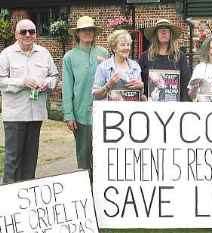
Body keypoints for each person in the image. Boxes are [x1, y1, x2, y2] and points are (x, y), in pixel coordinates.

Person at [0, 19, 58, 183]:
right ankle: (8, 199)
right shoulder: (6, 54)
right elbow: (1, 81)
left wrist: (45, 84)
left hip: (36, 113)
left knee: (30, 159)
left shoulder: (44, 53)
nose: (28, 34)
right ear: (16, 34)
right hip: (15, 115)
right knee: (13, 160)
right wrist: (22, 82)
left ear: (35, 34)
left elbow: (54, 77)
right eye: (23, 31)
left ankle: (27, 198)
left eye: (31, 31)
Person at [63, 16, 108, 181]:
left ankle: (100, 190)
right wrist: (68, 114)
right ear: (77, 34)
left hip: (103, 112)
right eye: (84, 30)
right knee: (83, 155)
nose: (87, 32)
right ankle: (85, 192)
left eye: (90, 29)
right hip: (81, 113)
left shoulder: (103, 53)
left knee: (102, 155)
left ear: (95, 32)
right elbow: (67, 87)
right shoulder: (69, 57)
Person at [139, 19, 191, 101]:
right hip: (149, 107)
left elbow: (186, 83)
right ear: (155, 34)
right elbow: (140, 81)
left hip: (175, 107)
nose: (163, 32)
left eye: (166, 30)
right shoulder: (145, 57)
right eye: (160, 30)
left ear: (171, 34)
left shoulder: (180, 57)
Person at [93, 30, 143, 100]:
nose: (126, 48)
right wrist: (108, 85)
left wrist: (141, 88)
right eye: (122, 45)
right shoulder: (103, 67)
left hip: (132, 109)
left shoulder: (135, 66)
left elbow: (140, 97)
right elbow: (95, 95)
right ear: (114, 48)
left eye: (128, 44)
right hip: (110, 110)